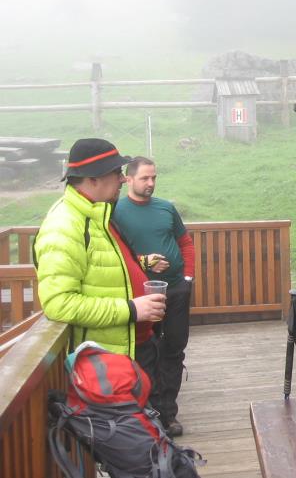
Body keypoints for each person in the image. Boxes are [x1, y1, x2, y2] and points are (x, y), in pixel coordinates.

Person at [34, 138, 166, 357]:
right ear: (93, 178)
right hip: (108, 360)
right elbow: (59, 304)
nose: (123, 179)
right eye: (116, 172)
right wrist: (131, 309)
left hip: (130, 347)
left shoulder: (97, 214)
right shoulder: (64, 225)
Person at [113, 156, 196, 438]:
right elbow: (118, 256)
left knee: (173, 350)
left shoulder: (165, 208)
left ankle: (168, 413)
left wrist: (187, 278)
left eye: (154, 178)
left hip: (175, 290)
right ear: (128, 180)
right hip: (140, 297)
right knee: (145, 353)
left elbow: (185, 242)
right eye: (145, 178)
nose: (150, 183)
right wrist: (144, 261)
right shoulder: (115, 212)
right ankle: (150, 413)